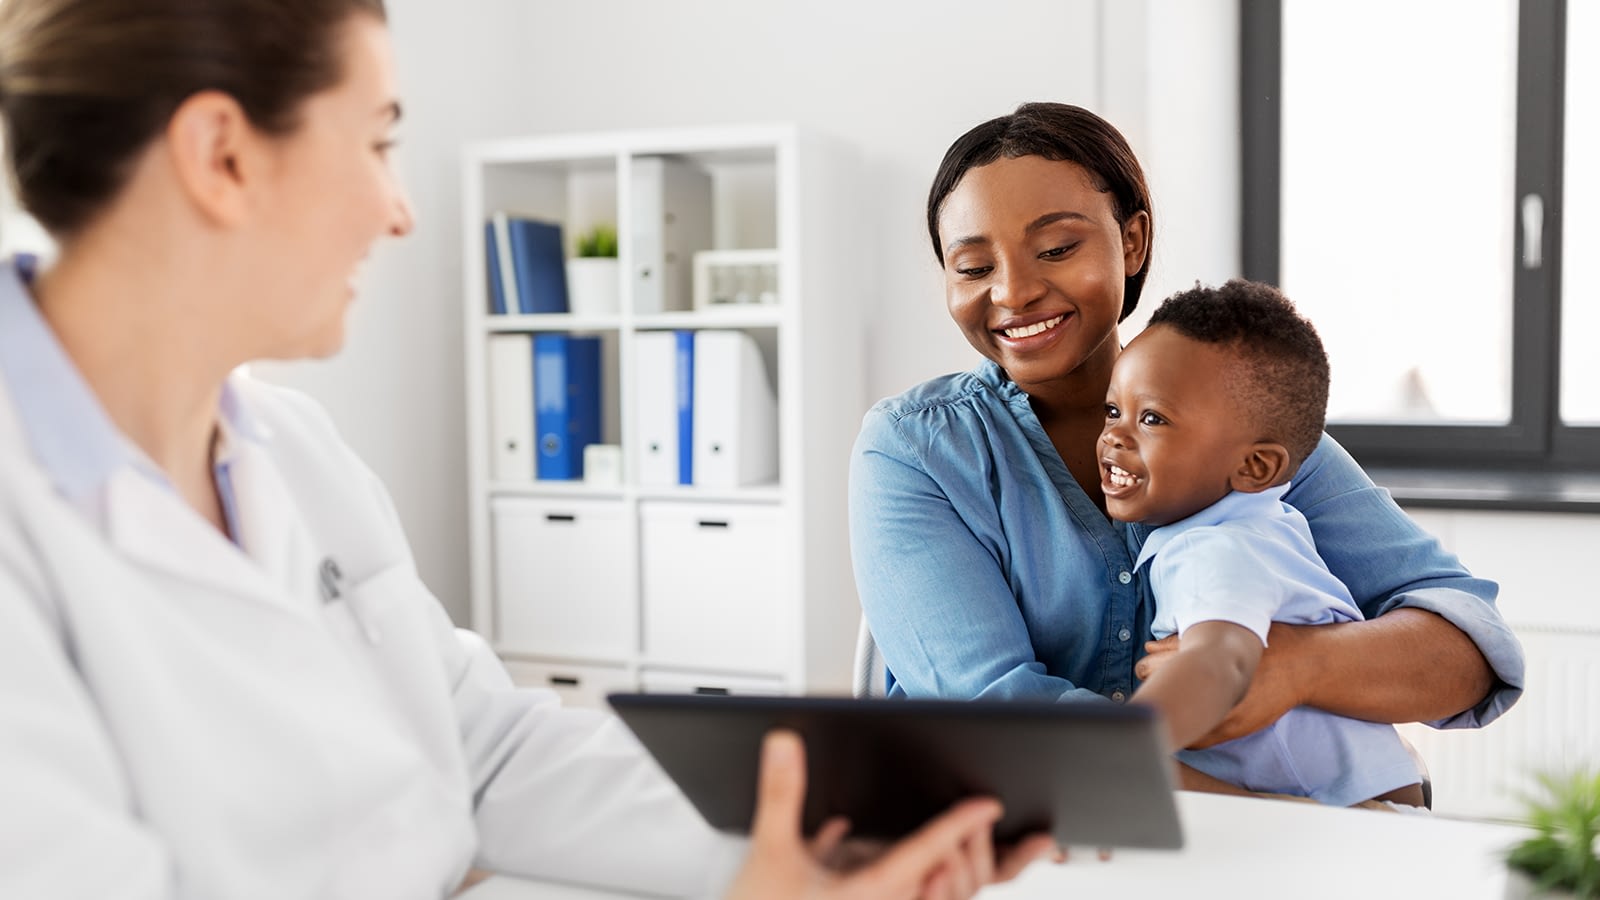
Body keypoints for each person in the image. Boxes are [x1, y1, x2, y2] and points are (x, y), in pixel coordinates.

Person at [0, 2, 1052, 897]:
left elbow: (486, 748)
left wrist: (819, 843)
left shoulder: (289, 450)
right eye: (376, 142)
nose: (400, 210)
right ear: (222, 157)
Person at [849, 102, 1524, 780]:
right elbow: (998, 726)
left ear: (1133, 240)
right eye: (972, 268)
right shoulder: (917, 451)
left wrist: (1293, 666)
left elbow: (1466, 650)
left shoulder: (1240, 418)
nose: (1015, 292)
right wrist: (1273, 816)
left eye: (1056, 249)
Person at [1104, 280, 1424, 807]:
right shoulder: (1256, 526)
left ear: (1255, 467)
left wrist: (1129, 741)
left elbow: (1221, 661)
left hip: (1355, 815)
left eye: (1152, 419)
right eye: (1113, 411)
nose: (1115, 436)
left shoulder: (1220, 547)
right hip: (1351, 797)